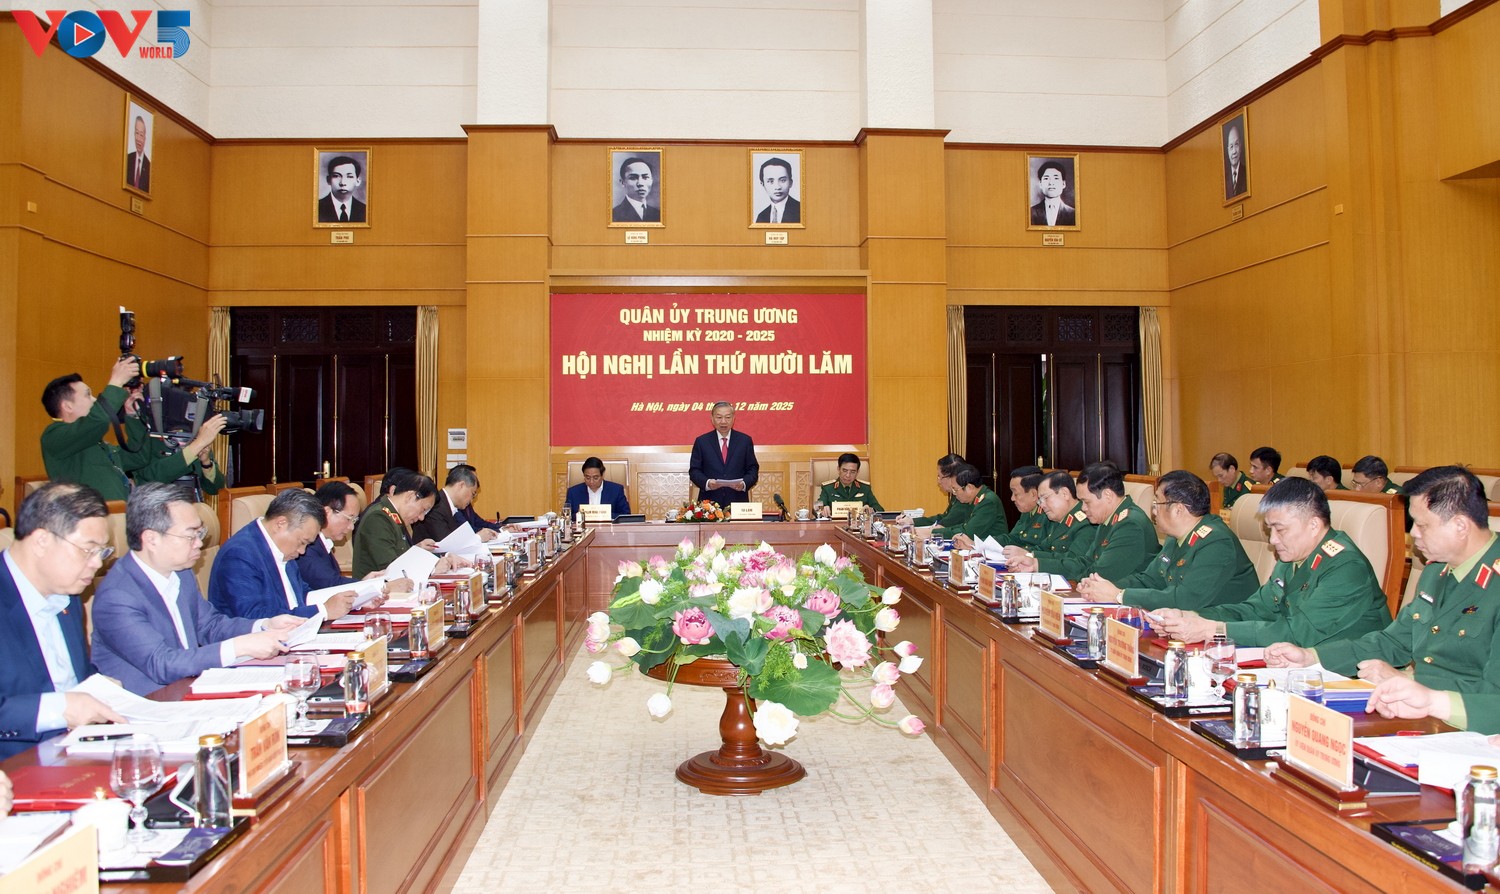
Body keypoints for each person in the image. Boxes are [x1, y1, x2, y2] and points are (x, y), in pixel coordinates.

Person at [1267, 467, 1500, 732]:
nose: (1414, 534)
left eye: (1422, 525)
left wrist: (1417, 686)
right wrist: (1311, 657)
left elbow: (1492, 694)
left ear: (1460, 526)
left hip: (1472, 727)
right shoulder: (1437, 571)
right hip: (1422, 716)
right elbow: (1393, 642)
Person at [90, 484, 301, 695]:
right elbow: (161, 663)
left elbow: (210, 625)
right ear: (151, 539)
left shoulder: (180, 572)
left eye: (201, 533)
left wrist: (264, 625)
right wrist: (238, 647)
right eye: (191, 535)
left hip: (192, 688)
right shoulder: (117, 595)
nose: (199, 543)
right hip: (151, 702)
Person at [1150, 477, 1389, 647]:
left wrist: (1213, 630)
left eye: (1280, 529)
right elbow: (1255, 609)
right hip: (1300, 663)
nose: (1273, 540)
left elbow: (1298, 632)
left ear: (1314, 525)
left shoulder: (1346, 567)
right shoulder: (1292, 556)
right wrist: (1192, 616)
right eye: (1269, 529)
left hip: (1354, 675)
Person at [0, 483, 126, 758]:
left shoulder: (67, 595)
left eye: (102, 552)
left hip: (81, 753)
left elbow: (72, 677)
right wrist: (60, 709)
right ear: (41, 540)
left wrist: (99, 687)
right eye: (88, 550)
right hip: (15, 767)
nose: (97, 564)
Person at [1076, 470, 1259, 611]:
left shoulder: (1216, 542)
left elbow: (1185, 599)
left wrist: (1119, 595)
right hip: (1186, 624)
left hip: (1223, 633)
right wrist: (1101, 587)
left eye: (1157, 503)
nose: (1153, 510)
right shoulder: (1176, 537)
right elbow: (1149, 580)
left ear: (1178, 509)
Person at [209, 489, 356, 621]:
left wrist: (347, 598)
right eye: (302, 542)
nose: (302, 551)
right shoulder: (240, 554)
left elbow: (301, 595)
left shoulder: (282, 547)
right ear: (281, 524)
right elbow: (253, 617)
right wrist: (323, 611)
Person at [1004, 462, 1155, 581]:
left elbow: (1100, 574)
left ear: (1108, 495)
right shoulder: (1107, 520)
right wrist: (1036, 564)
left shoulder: (1130, 524)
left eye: (1086, 502)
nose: (1082, 508)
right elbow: (1085, 562)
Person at [39, 359, 149, 500]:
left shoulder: (93, 440)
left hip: (118, 510)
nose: (94, 399)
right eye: (88, 395)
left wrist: (132, 415)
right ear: (67, 406)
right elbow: (98, 420)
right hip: (88, 513)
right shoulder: (54, 436)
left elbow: (138, 457)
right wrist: (116, 382)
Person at [354, 470, 469, 577]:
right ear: (410, 496)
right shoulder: (378, 518)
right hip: (379, 589)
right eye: (423, 509)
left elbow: (402, 557)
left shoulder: (395, 516)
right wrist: (432, 568)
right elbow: (391, 568)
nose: (422, 518)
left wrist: (444, 557)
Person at [1001, 471, 1098, 569]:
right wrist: (1025, 554)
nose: (1042, 505)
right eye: (1040, 501)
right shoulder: (1059, 519)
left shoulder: (1086, 521)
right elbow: (1044, 548)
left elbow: (1074, 561)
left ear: (1064, 493)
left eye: (1045, 498)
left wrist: (1030, 556)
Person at [688, 402, 759, 506]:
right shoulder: (702, 441)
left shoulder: (744, 440)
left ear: (733, 418)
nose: (723, 421)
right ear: (712, 419)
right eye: (719, 417)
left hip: (737, 501)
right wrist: (707, 483)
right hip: (709, 504)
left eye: (728, 417)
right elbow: (694, 470)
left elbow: (753, 469)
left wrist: (744, 483)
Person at [936, 464, 1006, 543]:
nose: (954, 494)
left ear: (969, 487)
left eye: (955, 489)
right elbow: (965, 525)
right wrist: (942, 529)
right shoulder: (975, 499)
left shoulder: (988, 502)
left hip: (992, 549)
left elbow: (968, 533)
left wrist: (935, 533)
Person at [910, 454, 968, 530]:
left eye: (940, 477)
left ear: (952, 477)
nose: (939, 481)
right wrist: (912, 521)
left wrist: (917, 530)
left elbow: (947, 523)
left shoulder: (963, 495)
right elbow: (945, 517)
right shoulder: (956, 492)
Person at [814, 454, 881, 516]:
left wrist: (872, 510)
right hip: (835, 523)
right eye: (845, 471)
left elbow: (879, 509)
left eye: (852, 472)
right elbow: (816, 507)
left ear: (857, 472)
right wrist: (822, 509)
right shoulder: (828, 488)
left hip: (858, 524)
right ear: (838, 469)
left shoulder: (865, 488)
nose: (848, 475)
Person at [564, 457, 632, 519]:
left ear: (602, 475)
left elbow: (625, 515)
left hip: (608, 528)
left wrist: (602, 515)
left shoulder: (616, 490)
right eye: (588, 478)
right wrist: (580, 515)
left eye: (595, 478)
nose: (591, 481)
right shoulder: (573, 492)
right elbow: (566, 516)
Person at [317, 155, 367, 223]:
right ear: (328, 180)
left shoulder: (365, 210)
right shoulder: (316, 208)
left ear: (358, 181)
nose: (343, 183)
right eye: (336, 176)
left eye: (349, 176)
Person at [611, 156, 660, 223]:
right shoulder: (613, 215)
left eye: (645, 177)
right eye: (633, 178)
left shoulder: (658, 214)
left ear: (651, 180)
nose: (640, 183)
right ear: (623, 182)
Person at [1029, 161, 1076, 227]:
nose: (1051, 183)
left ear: (1063, 184)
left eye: (1056, 178)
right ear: (1040, 184)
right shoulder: (1030, 212)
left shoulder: (1074, 214)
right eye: (1046, 178)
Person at [754, 157, 800, 224]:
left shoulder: (801, 210)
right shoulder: (762, 216)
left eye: (783, 180)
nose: (777, 187)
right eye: (770, 181)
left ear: (790, 183)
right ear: (762, 184)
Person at [126, 114, 150, 192]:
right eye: (136, 133)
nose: (138, 139)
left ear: (145, 139)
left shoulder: (149, 167)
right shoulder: (127, 159)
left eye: (141, 135)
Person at [1224, 122, 1247, 199]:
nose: (1234, 151)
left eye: (1236, 144)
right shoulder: (1224, 179)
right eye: (1231, 146)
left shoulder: (1247, 173)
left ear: (1240, 146)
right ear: (1228, 150)